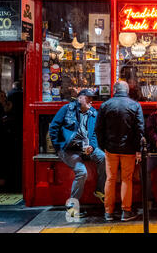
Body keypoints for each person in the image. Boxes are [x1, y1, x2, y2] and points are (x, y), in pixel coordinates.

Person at [49, 89, 106, 218]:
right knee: (82, 172)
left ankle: (99, 190)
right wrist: (58, 146)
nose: (91, 101)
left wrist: (92, 146)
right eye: (88, 98)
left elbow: (94, 133)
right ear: (79, 98)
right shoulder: (67, 109)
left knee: (103, 158)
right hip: (68, 149)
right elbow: (53, 127)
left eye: (92, 98)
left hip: (85, 147)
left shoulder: (93, 113)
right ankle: (72, 208)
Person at [95, 81, 144, 222]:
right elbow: (139, 130)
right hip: (128, 149)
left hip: (111, 149)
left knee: (110, 179)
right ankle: (126, 211)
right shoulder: (135, 105)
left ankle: (108, 212)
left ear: (114, 90)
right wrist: (138, 149)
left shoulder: (105, 105)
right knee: (126, 179)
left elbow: (99, 128)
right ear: (127, 91)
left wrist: (104, 146)